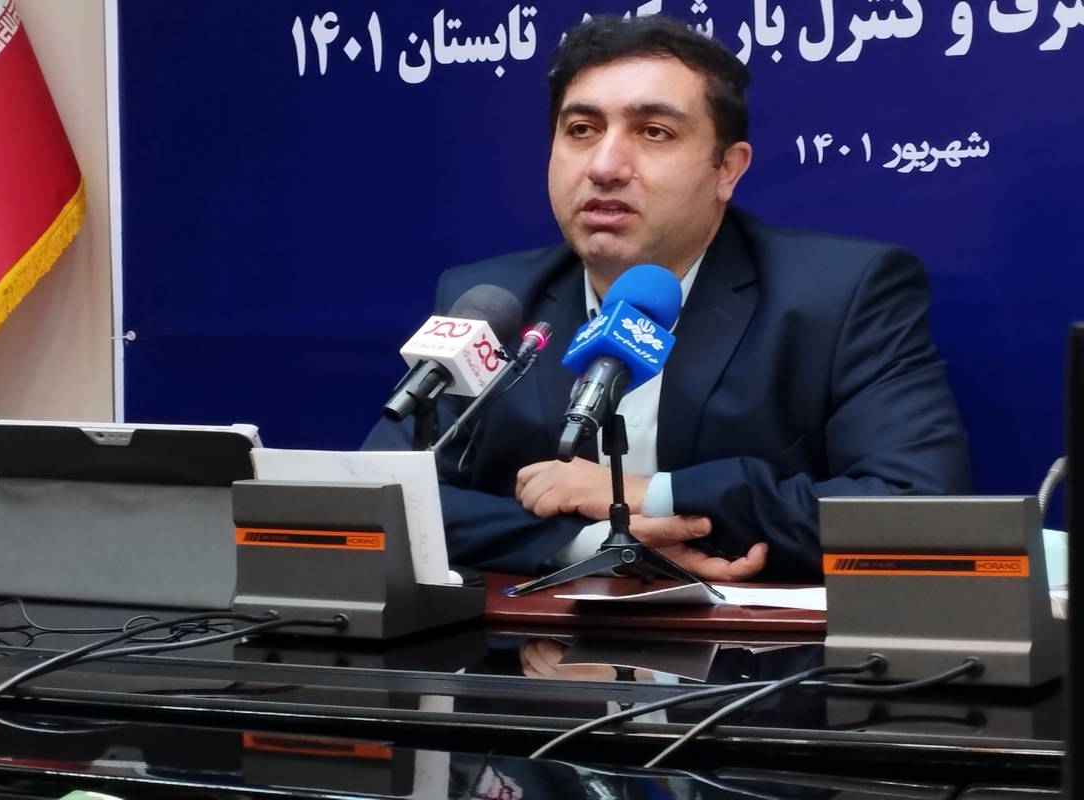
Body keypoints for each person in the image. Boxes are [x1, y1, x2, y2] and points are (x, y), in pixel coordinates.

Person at [364, 14, 971, 584]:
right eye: (581, 130)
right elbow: (380, 496)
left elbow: (918, 510)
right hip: (533, 650)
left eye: (653, 132)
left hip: (758, 655)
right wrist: (594, 543)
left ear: (727, 169)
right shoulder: (493, 302)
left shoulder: (841, 295)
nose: (605, 166)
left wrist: (656, 494)